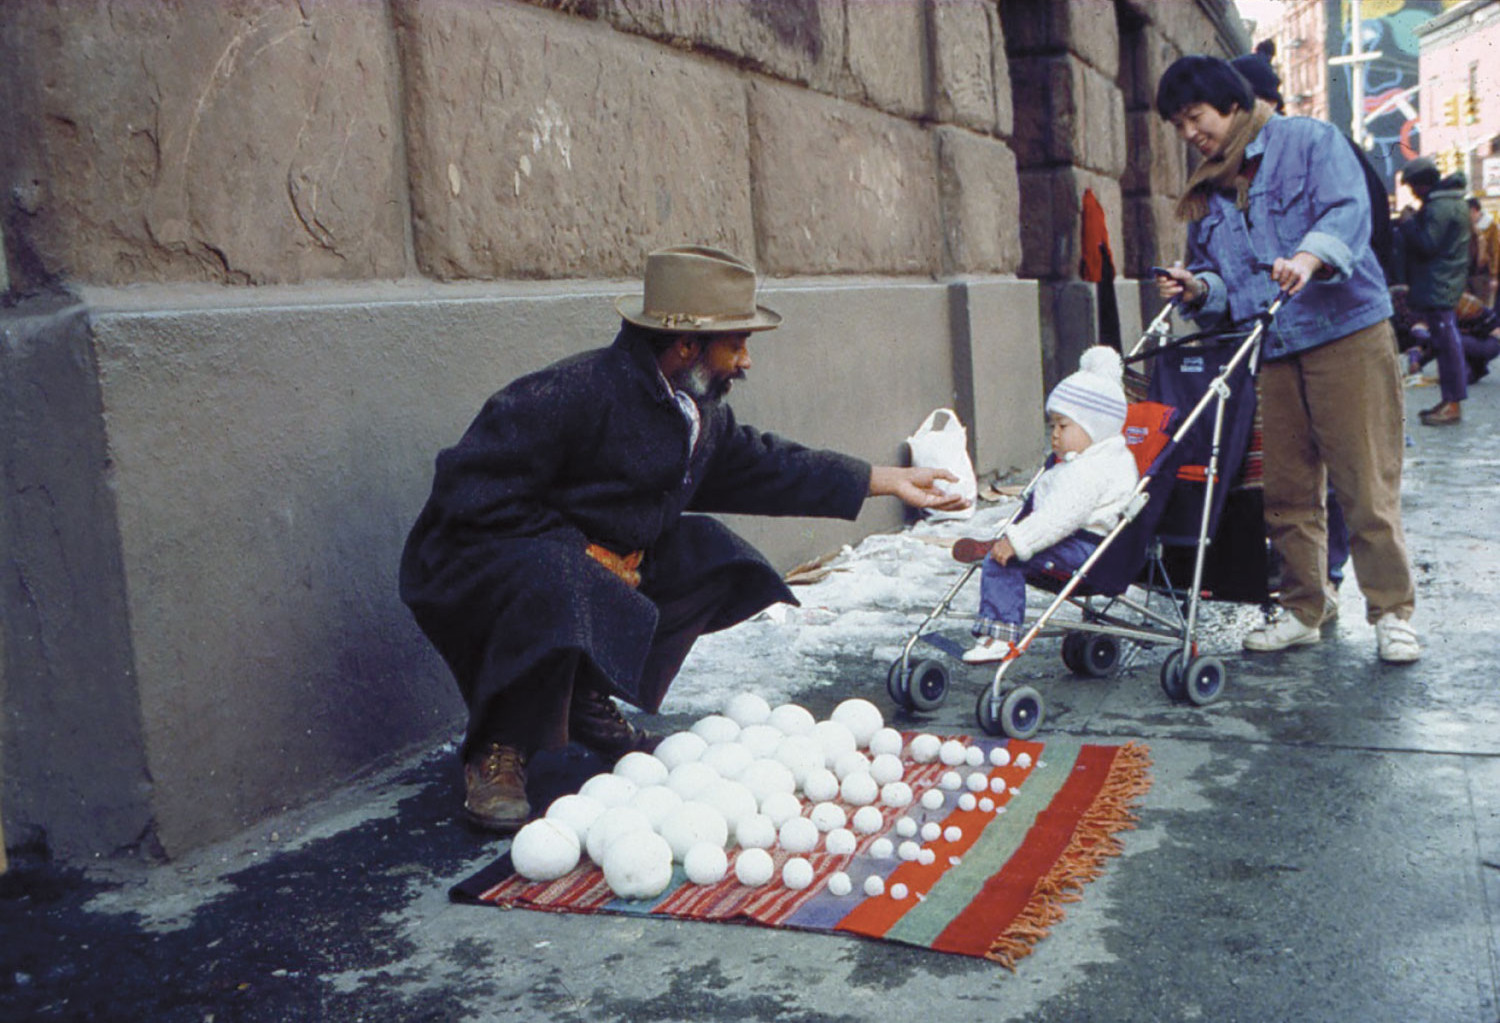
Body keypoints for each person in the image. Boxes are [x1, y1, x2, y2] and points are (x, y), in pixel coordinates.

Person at [399, 245, 969, 833]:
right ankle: (498, 748)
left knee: (712, 556)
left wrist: (881, 479)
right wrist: (576, 548)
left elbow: (763, 465)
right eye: (737, 343)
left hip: (589, 572)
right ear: (687, 346)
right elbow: (465, 491)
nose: (746, 361)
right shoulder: (569, 394)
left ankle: (584, 697)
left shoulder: (695, 409)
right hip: (476, 566)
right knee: (555, 577)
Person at [1152, 55, 1419, 664]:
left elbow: (1347, 211)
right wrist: (1195, 288)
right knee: (1288, 488)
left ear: (1232, 103)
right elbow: (1218, 276)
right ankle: (1305, 607)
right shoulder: (1210, 184)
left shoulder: (1308, 141)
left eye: (1195, 117)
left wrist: (1309, 258)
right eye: (1179, 125)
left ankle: (1393, 612)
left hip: (1345, 330)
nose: (1190, 134)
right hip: (1270, 345)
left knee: (1364, 481)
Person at [956, 347, 1138, 664]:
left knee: (1004, 561)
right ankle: (997, 619)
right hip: (1082, 541)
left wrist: (1019, 541)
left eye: (1063, 426)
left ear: (1094, 426)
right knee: (1003, 554)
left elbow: (1060, 517)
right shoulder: (1095, 459)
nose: (1053, 435)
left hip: (1084, 547)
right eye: (1052, 426)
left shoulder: (1087, 471)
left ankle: (999, 636)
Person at [1396, 157, 1472, 425]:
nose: (1413, 192)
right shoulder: (1449, 202)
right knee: (1444, 344)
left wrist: (1407, 222)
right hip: (1443, 282)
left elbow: (1427, 244)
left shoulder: (1440, 207)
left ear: (1424, 184)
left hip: (1439, 284)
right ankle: (1449, 400)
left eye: (1414, 186)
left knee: (1448, 345)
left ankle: (1452, 403)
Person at [1391, 284, 1500, 385]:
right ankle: (1475, 369)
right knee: (1437, 338)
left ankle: (1475, 367)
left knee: (1445, 340)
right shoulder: (1430, 308)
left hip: (1490, 340)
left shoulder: (1452, 303)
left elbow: (1438, 340)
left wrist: (1419, 361)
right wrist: (1416, 362)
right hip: (1478, 336)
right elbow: (1423, 343)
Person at [1469, 197, 1500, 309]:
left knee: (1484, 307)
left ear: (1474, 210)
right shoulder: (1468, 227)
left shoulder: (1490, 226)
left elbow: (1495, 252)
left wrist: (1494, 276)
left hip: (1484, 273)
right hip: (1470, 273)